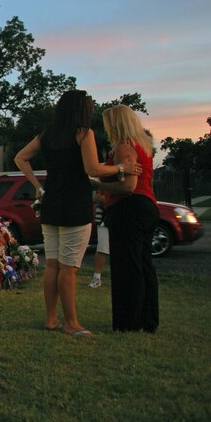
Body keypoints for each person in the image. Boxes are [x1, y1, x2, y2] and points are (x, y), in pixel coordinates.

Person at [14, 90, 141, 337]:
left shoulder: (47, 133)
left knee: (52, 265)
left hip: (51, 204)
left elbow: (21, 158)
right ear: (83, 109)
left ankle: (51, 319)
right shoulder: (84, 133)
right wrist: (122, 167)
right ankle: (71, 323)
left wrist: (38, 187)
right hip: (75, 205)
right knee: (69, 267)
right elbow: (92, 168)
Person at [92, 104, 159, 332]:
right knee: (143, 265)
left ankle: (128, 322)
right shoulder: (143, 145)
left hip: (129, 208)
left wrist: (97, 185)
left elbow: (128, 186)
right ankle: (148, 320)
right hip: (147, 206)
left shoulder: (124, 147)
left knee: (127, 267)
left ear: (116, 124)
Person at [89, 198, 109, 288]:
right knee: (102, 247)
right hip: (105, 216)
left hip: (118, 212)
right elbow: (98, 197)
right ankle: (97, 277)